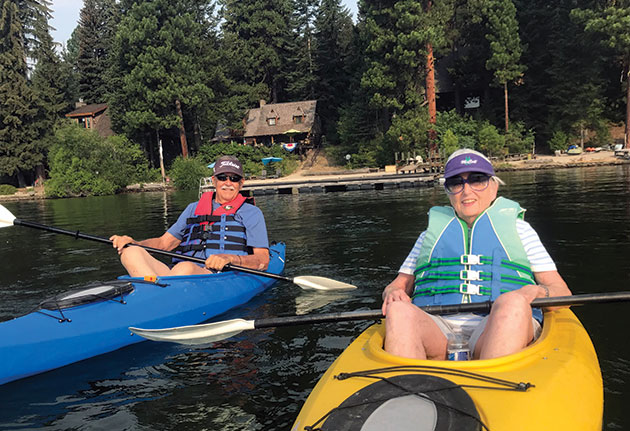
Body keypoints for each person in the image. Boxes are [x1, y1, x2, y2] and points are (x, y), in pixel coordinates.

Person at [381, 149, 571, 360]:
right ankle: (409, 388)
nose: (467, 191)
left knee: (513, 304)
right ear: (448, 192)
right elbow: (398, 285)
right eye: (456, 183)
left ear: (494, 187)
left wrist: (532, 292)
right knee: (398, 310)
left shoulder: (521, 231)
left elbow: (561, 293)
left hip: (497, 324)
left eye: (477, 180)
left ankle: (495, 385)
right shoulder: (428, 236)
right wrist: (391, 293)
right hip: (436, 330)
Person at [110, 155, 269, 276]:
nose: (228, 183)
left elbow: (262, 260)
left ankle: (161, 299)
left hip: (218, 276)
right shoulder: (193, 209)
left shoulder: (251, 213)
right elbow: (164, 243)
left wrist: (231, 258)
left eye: (234, 179)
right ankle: (157, 298)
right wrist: (135, 243)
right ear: (214, 181)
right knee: (130, 252)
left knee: (184, 268)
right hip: (180, 275)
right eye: (222, 177)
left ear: (241, 183)